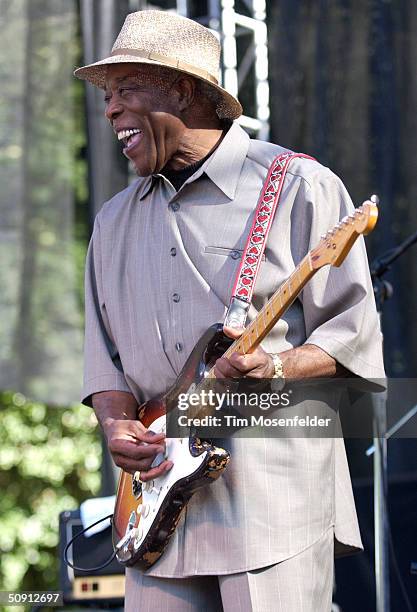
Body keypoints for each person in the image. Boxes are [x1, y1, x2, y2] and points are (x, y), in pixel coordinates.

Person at [75, 9, 385, 612]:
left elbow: (352, 337)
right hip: (156, 511)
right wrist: (115, 425)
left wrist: (275, 368)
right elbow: (103, 359)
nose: (109, 109)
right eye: (107, 95)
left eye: (126, 89)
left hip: (272, 505)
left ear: (183, 90)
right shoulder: (112, 222)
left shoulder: (298, 186)